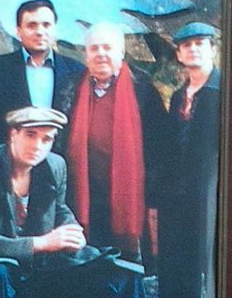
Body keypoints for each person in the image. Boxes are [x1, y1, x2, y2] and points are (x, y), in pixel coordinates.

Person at [0, 106, 152, 298]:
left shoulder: (54, 166)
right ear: (13, 134)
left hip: (45, 267)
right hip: (4, 269)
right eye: (30, 135)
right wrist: (42, 243)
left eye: (46, 139)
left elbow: (59, 209)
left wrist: (72, 230)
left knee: (119, 273)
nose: (38, 146)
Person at [60, 22, 163, 260]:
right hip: (84, 194)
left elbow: (158, 148)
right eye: (94, 48)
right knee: (90, 264)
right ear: (86, 54)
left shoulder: (143, 88)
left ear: (121, 52)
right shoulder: (72, 86)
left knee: (126, 267)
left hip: (131, 197)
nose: (101, 54)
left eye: (107, 47)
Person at [151, 22, 222, 298]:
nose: (193, 49)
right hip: (175, 196)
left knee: (201, 268)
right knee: (171, 267)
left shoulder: (223, 92)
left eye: (200, 43)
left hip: (207, 195)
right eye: (187, 45)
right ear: (179, 54)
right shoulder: (180, 95)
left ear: (212, 49)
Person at [0, 0, 85, 156]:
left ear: (54, 29)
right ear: (18, 31)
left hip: (60, 163)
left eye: (46, 25)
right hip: (8, 162)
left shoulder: (77, 71)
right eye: (32, 25)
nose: (40, 31)